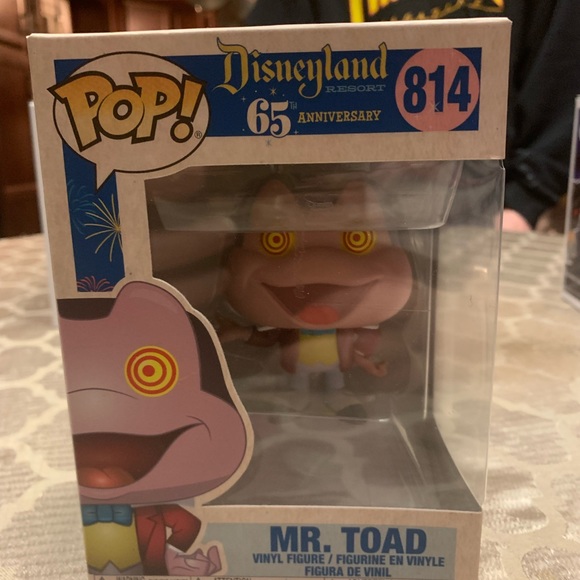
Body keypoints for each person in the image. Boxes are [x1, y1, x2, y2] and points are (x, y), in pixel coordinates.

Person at [246, 0, 580, 232]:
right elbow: (261, 59)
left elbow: (562, 69)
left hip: (487, 211)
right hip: (342, 207)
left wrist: (523, 201)